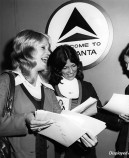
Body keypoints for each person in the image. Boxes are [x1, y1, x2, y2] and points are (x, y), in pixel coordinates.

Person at [0, 30, 97, 158]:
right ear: (26, 50)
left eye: (49, 48)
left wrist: (82, 137)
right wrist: (25, 120)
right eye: (43, 47)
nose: (49, 52)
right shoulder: (6, 81)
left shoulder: (47, 87)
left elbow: (61, 125)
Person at [47, 44, 101, 158]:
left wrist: (119, 117)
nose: (71, 71)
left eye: (73, 65)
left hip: (86, 148)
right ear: (57, 68)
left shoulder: (87, 86)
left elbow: (100, 112)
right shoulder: (49, 88)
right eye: (65, 67)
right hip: (61, 151)